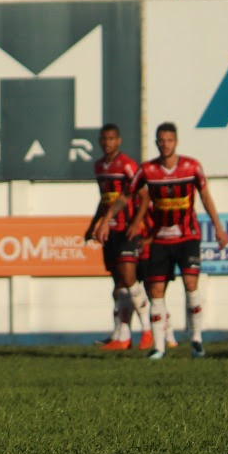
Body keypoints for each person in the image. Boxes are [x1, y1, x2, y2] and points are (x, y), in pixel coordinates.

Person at [98, 122, 228, 359]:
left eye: (169, 140)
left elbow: (205, 196)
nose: (165, 144)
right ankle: (159, 347)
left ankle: (196, 340)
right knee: (156, 290)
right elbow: (126, 195)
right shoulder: (148, 170)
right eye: (161, 140)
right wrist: (106, 220)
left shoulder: (192, 167)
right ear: (157, 143)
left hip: (187, 236)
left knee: (191, 284)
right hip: (159, 239)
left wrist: (218, 227)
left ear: (176, 142)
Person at [86, 123, 151, 351]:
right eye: (104, 139)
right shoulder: (99, 166)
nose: (107, 143)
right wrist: (93, 225)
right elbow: (104, 199)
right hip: (109, 231)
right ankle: (122, 336)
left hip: (126, 230)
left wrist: (136, 222)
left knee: (130, 279)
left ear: (119, 141)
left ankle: (148, 330)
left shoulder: (128, 165)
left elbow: (144, 196)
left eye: (111, 138)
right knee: (119, 285)